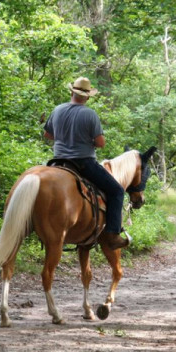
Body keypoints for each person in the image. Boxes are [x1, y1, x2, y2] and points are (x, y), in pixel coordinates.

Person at [43, 76, 129, 250]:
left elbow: (48, 135)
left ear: (71, 91)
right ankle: (112, 234)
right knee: (117, 191)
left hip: (57, 162)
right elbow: (100, 143)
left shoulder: (57, 110)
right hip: (83, 163)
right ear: (87, 96)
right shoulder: (89, 114)